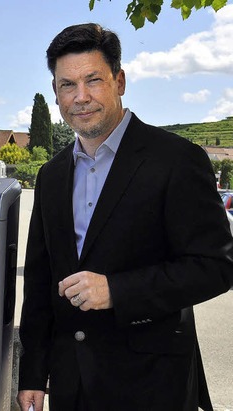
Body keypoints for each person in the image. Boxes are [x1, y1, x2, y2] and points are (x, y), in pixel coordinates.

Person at [17, 23, 233, 411]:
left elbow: (216, 267)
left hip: (152, 385)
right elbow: (40, 280)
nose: (80, 97)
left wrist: (117, 290)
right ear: (55, 92)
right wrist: (33, 372)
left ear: (119, 81)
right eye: (67, 85)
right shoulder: (50, 175)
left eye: (93, 80)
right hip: (72, 385)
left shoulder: (177, 160)